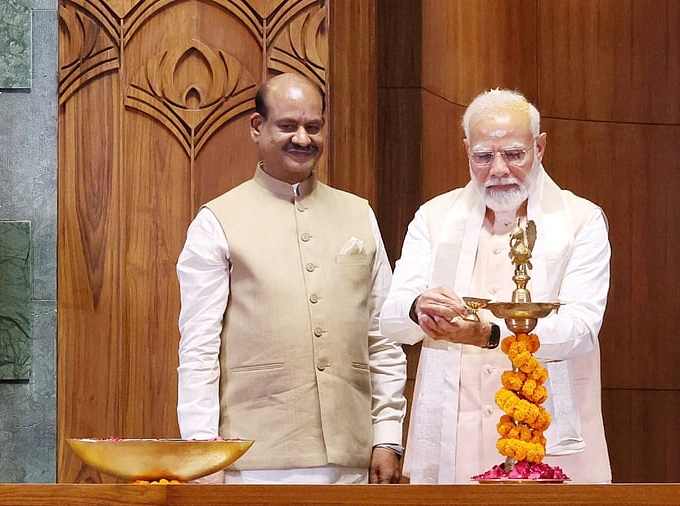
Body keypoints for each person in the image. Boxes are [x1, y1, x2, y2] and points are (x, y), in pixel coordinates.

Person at [176, 73, 407, 484]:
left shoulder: (359, 214)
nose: (303, 138)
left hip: (352, 461)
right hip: (253, 463)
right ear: (256, 127)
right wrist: (202, 450)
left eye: (313, 127)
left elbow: (383, 337)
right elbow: (198, 348)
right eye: (288, 126)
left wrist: (388, 438)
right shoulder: (217, 221)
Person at [379, 89, 611, 483]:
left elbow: (582, 328)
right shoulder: (433, 218)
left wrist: (490, 333)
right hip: (453, 436)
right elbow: (391, 318)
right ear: (467, 150)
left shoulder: (580, 220)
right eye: (483, 156)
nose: (499, 169)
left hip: (547, 434)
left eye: (514, 154)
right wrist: (419, 306)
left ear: (539, 148)